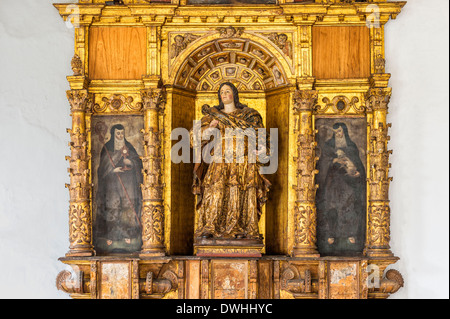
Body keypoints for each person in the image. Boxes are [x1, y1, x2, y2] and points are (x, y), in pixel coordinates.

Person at [191, 82, 271, 241]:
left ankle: (242, 227)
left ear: (234, 94)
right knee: (215, 190)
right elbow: (194, 139)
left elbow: (261, 136)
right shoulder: (212, 115)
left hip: (244, 159)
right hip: (220, 158)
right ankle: (211, 226)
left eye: (227, 91)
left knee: (240, 191)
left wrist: (261, 150)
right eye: (221, 92)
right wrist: (210, 129)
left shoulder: (249, 115)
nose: (224, 94)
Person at [316, 122, 366, 256]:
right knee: (331, 208)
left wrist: (357, 172)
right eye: (336, 132)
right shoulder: (328, 146)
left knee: (349, 207)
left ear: (344, 133)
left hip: (347, 183)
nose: (338, 135)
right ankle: (330, 235)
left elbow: (358, 164)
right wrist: (334, 161)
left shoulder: (351, 146)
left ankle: (350, 234)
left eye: (340, 132)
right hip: (332, 183)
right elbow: (322, 163)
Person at [94, 124, 143, 254]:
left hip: (128, 182)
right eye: (118, 134)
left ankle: (128, 235)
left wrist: (130, 163)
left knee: (128, 206)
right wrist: (112, 169)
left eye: (122, 133)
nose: (120, 136)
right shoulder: (107, 149)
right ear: (113, 134)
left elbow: (137, 162)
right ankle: (112, 236)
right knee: (113, 207)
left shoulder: (129, 147)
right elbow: (102, 168)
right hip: (112, 183)